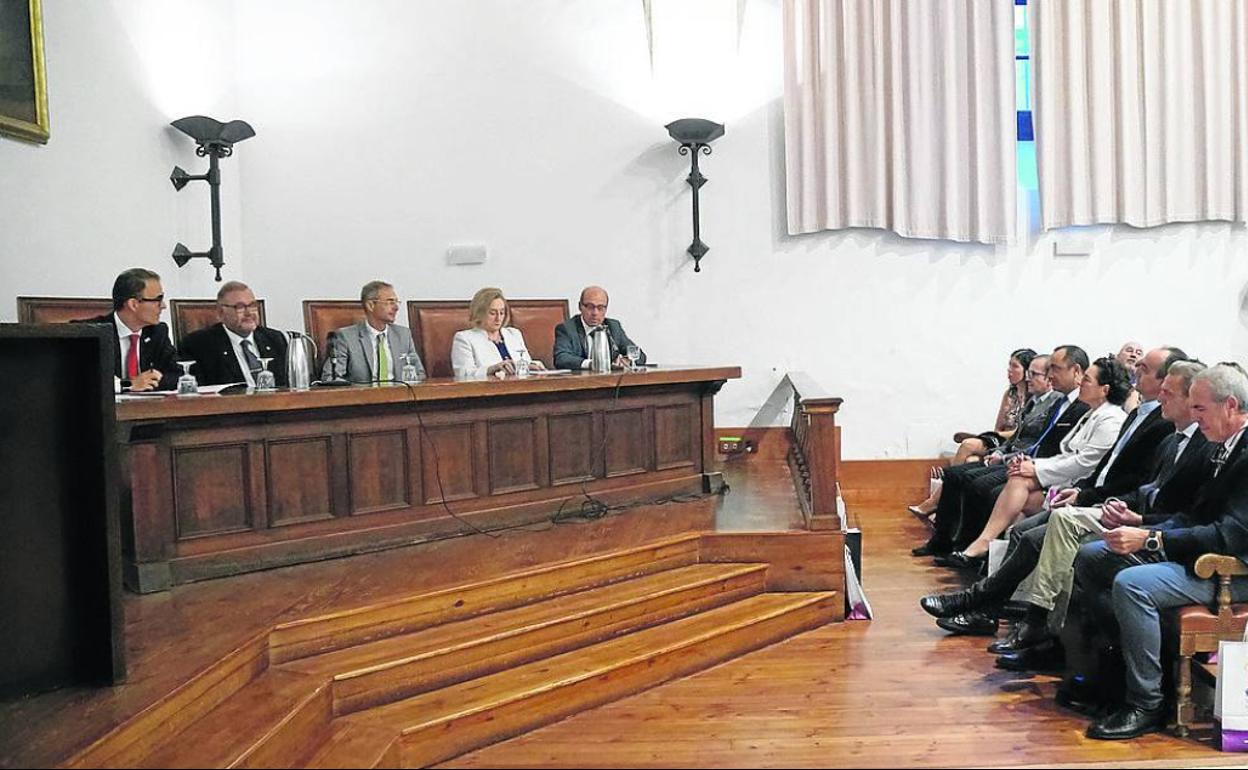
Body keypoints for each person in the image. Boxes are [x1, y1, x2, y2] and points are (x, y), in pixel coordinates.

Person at [919, 360, 1212, 643]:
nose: (1143, 379)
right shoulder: (1160, 430)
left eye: (1165, 388)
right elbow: (1123, 476)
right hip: (1111, 504)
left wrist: (1127, 516)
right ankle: (995, 609)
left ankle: (1020, 619)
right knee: (1021, 524)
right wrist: (1086, 495)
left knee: (1039, 531)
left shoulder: (1167, 431)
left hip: (1136, 521)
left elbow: (1140, 487)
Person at [1074, 363, 1248, 740]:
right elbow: (1194, 515)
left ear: (1231, 406)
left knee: (1133, 584)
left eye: (1200, 409)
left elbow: (1230, 536)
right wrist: (1143, 525)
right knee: (1092, 558)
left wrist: (1152, 541)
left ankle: (1146, 701)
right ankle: (1118, 673)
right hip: (1204, 557)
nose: (1195, 417)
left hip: (1233, 572)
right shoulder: (1225, 446)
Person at [945, 356, 1131, 568]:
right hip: (1062, 477)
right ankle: (989, 557)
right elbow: (1066, 453)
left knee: (1017, 484)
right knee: (1018, 489)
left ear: (1104, 389)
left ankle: (985, 548)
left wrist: (1035, 468)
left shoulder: (1111, 420)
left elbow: (1084, 463)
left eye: (1087, 379)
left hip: (1078, 485)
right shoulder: (1093, 413)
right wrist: (1032, 466)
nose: (1081, 383)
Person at [909, 349, 1038, 519]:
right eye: (1009, 365)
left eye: (1014, 366)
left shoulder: (1034, 398)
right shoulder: (1010, 394)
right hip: (1000, 438)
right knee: (970, 456)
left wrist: (998, 436)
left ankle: (936, 502)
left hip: (1012, 440)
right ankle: (945, 506)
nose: (1009, 370)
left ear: (1027, 371)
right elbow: (998, 425)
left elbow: (1020, 432)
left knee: (969, 445)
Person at [76, 267, 181, 391]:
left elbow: (178, 375)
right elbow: (81, 381)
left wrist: (150, 382)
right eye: (158, 300)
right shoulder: (92, 333)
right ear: (133, 304)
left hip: (147, 408)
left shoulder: (157, 332)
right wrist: (128, 385)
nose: (163, 306)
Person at [178, 281, 288, 388]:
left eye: (252, 305)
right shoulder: (200, 345)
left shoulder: (275, 339)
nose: (249, 313)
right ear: (221, 312)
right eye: (240, 307)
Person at [322, 280, 423, 384]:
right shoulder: (346, 337)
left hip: (400, 396)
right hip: (363, 398)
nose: (396, 307)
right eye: (390, 302)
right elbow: (331, 378)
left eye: (396, 302)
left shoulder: (403, 335)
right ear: (370, 305)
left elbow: (419, 373)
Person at [451, 287, 546, 379]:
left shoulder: (514, 334)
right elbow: (463, 374)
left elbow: (526, 362)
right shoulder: (464, 338)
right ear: (479, 313)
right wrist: (491, 369)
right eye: (492, 313)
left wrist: (533, 366)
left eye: (502, 312)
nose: (498, 318)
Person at [553, 286, 646, 371]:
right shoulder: (567, 329)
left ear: (606, 309)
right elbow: (561, 358)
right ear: (580, 306)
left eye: (600, 308)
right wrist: (592, 364)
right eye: (590, 307)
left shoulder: (613, 327)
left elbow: (639, 355)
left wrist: (627, 361)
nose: (595, 313)